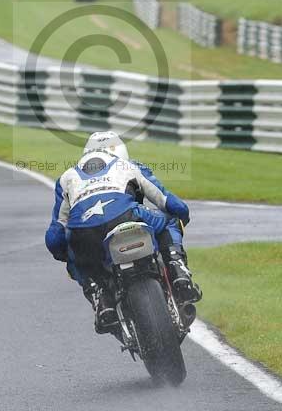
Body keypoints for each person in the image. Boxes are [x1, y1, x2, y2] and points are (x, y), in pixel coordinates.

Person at [45, 131, 201, 332]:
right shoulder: (130, 166)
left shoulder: (66, 177)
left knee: (72, 253)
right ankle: (177, 268)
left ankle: (99, 295)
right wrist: (182, 218)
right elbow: (169, 202)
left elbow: (54, 236)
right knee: (170, 219)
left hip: (84, 232)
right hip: (127, 215)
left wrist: (65, 255)